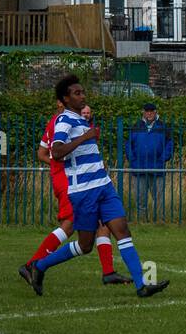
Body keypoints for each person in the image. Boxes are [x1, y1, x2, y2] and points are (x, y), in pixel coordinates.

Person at [19, 76, 169, 299]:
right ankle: (39, 266)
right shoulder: (64, 121)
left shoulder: (80, 120)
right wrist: (86, 137)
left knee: (122, 231)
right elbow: (56, 152)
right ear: (65, 99)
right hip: (83, 191)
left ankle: (142, 286)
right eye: (77, 93)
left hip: (104, 186)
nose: (83, 96)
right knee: (85, 245)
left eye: (83, 92)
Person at [23, 99, 131, 285]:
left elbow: (41, 153)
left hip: (74, 178)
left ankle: (108, 272)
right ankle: (33, 264)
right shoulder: (63, 122)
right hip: (69, 180)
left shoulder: (59, 121)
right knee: (71, 224)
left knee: (101, 222)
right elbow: (52, 153)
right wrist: (65, 166)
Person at [126, 102, 173, 218]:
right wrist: (132, 159)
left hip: (157, 168)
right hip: (139, 168)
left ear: (156, 112)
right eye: (147, 111)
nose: (149, 113)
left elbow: (170, 144)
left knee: (159, 198)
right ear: (143, 112)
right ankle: (141, 221)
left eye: (152, 111)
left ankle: (159, 221)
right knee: (140, 197)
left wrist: (163, 158)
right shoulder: (136, 126)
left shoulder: (163, 127)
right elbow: (128, 145)